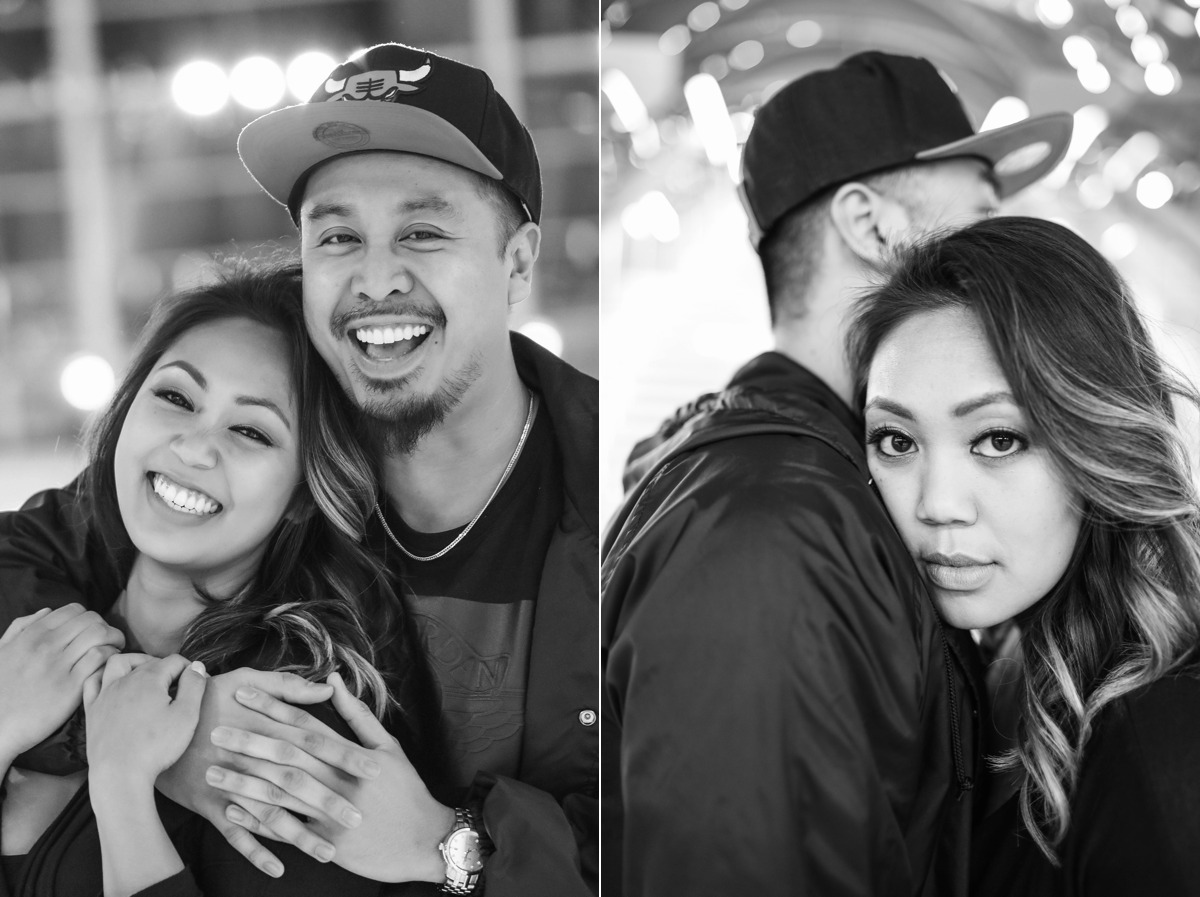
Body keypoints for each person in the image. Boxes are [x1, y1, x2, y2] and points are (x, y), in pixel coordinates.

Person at [0, 42, 598, 896]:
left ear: (518, 261)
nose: (376, 276)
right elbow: (30, 550)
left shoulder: (629, 502)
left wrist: (451, 845)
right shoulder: (293, 433)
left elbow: (698, 840)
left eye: (423, 232)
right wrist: (143, 719)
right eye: (339, 235)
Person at [601, 51, 1072, 896]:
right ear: (872, 225)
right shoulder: (770, 535)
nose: (1005, 257)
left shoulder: (822, 483)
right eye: (981, 216)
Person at [0, 263, 428, 896]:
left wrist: (124, 786)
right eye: (175, 397)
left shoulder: (287, 719)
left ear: (302, 495)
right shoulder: (32, 626)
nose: (196, 449)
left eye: (251, 431)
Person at [852, 215, 1200, 897]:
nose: (938, 503)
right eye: (897, 441)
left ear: (1094, 441)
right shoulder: (1003, 652)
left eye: (999, 439)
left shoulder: (1160, 741)